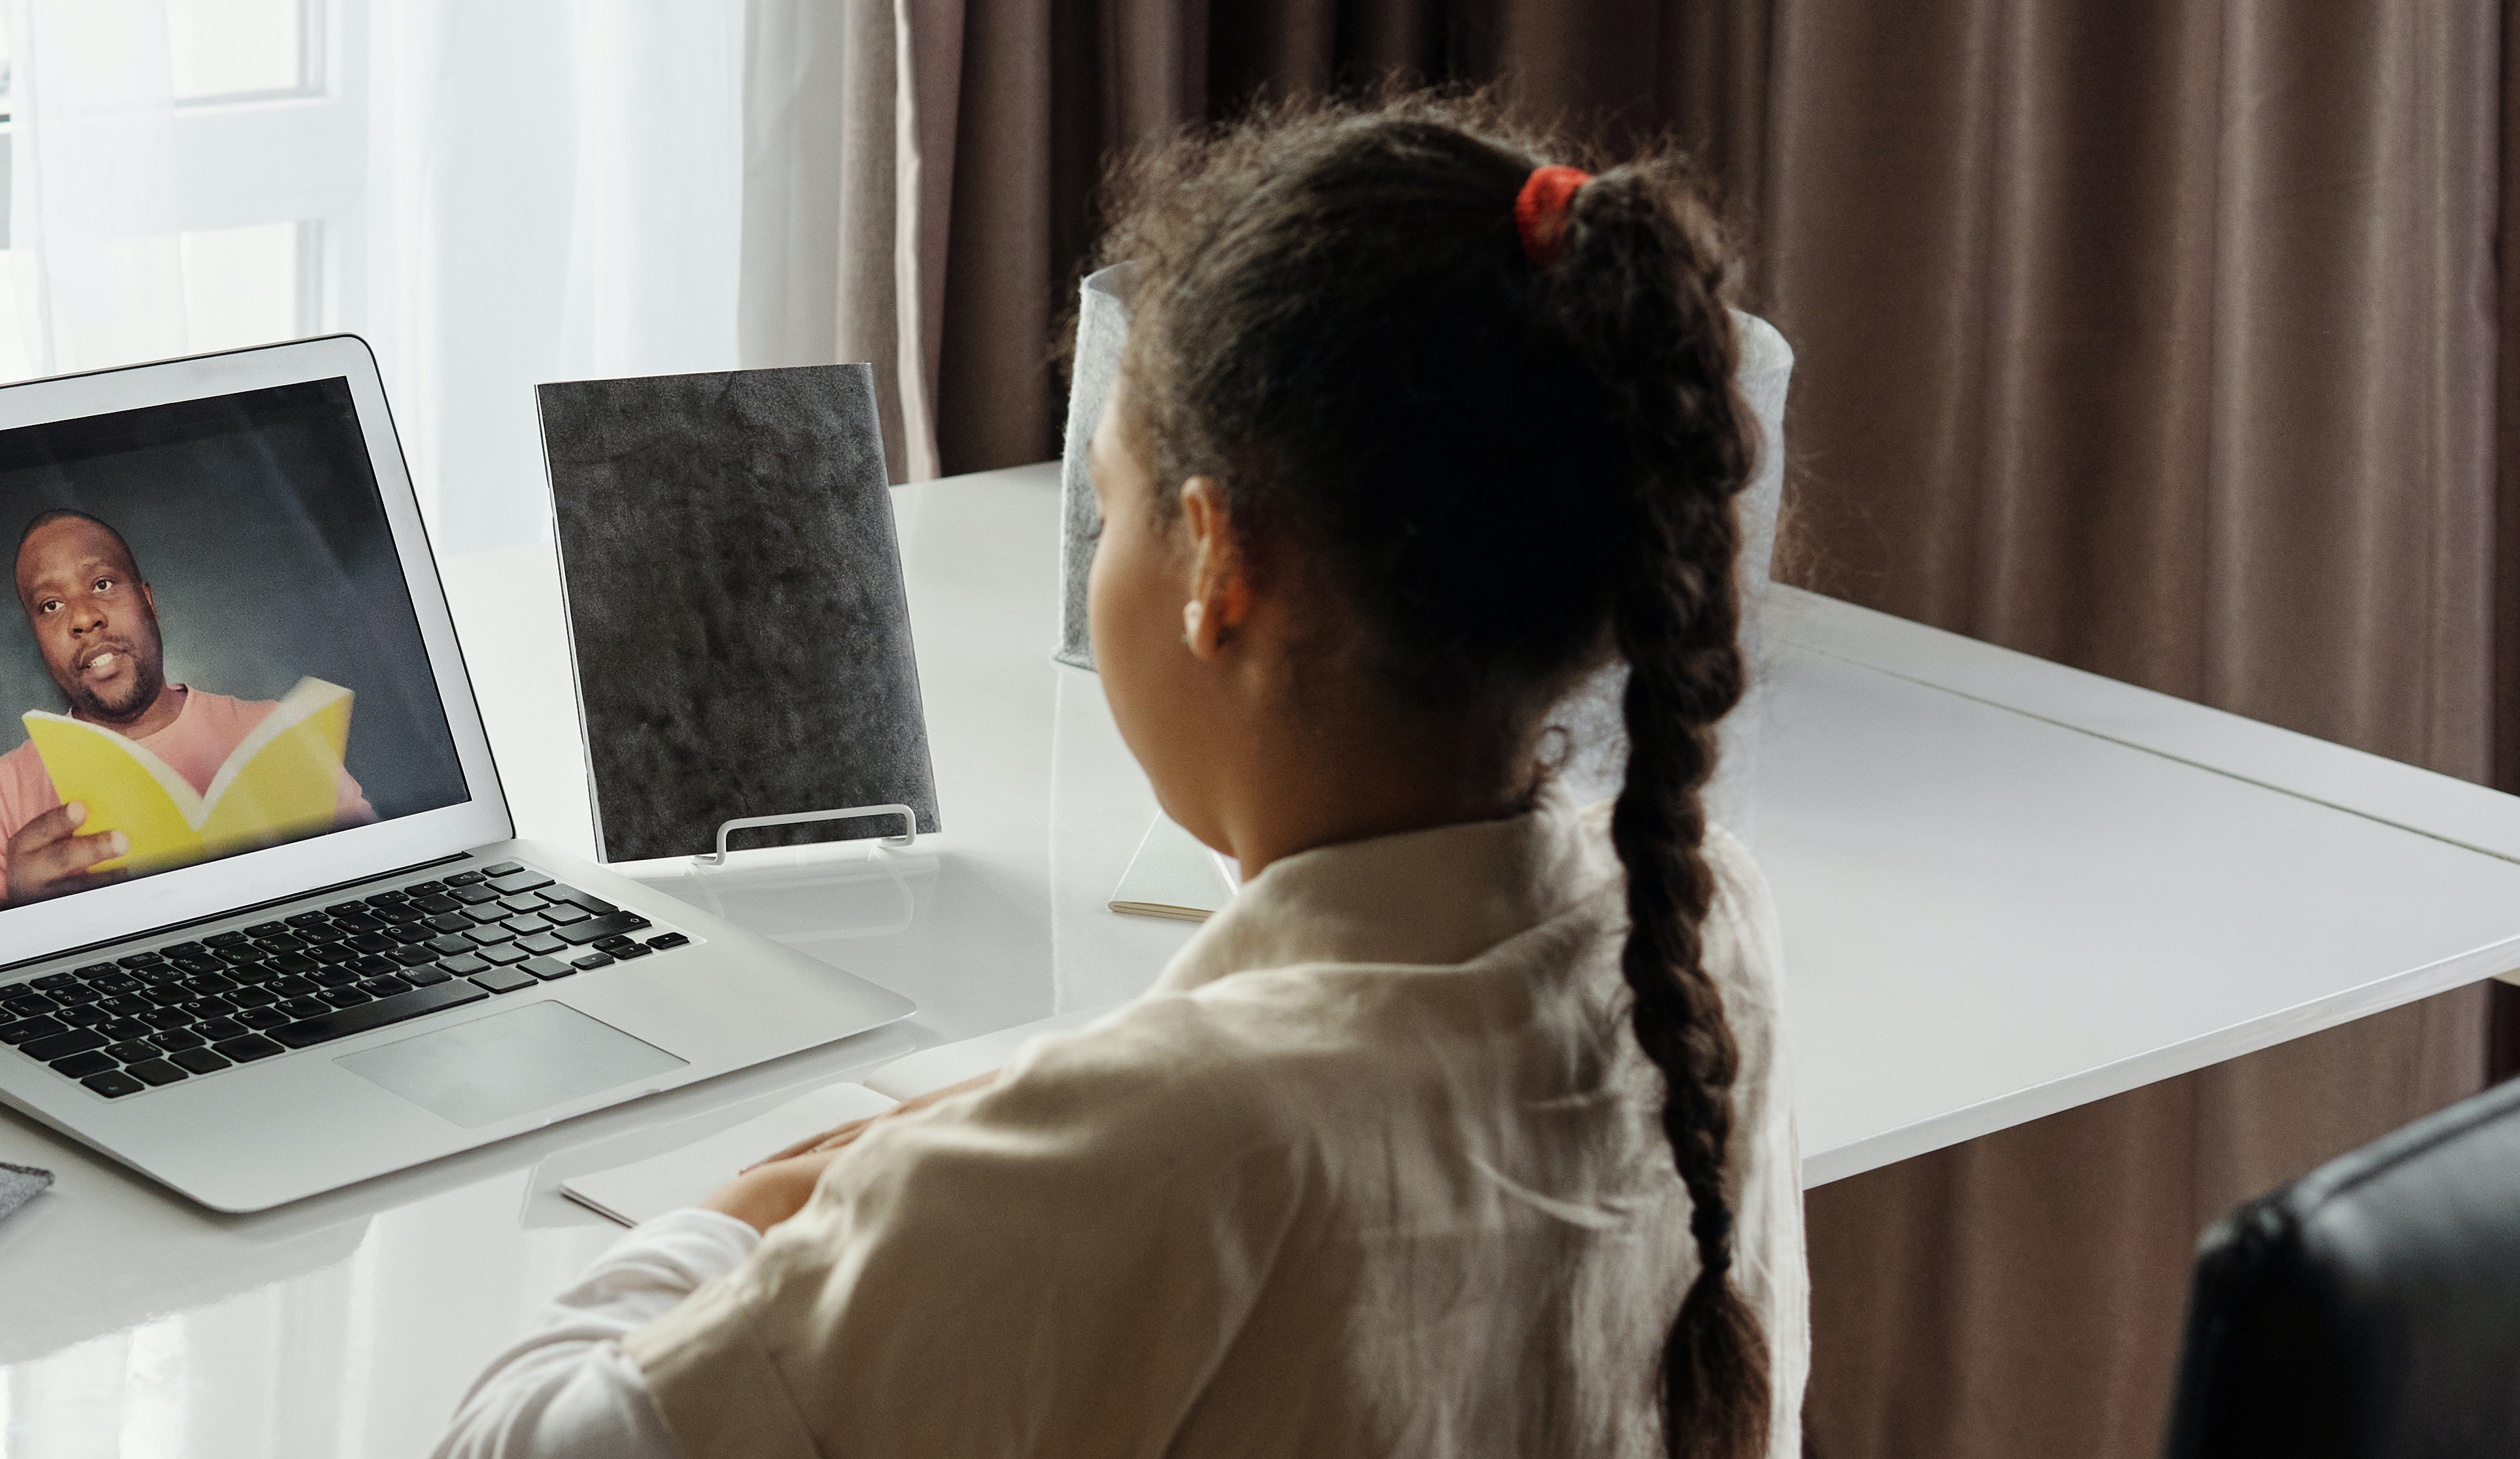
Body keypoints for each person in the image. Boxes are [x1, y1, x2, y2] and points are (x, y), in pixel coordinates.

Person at [436, 100, 1804, 1459]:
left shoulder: (1167, 1148)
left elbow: (514, 1442)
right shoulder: (1702, 931)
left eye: (1107, 500)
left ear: (1217, 562)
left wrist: (752, 1200)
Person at [0, 507, 373, 911]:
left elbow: (376, 883)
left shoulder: (279, 734)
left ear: (147, 601)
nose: (83, 617)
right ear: (39, 640)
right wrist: (20, 919)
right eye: (50, 605)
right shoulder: (4, 789)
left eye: (102, 584)